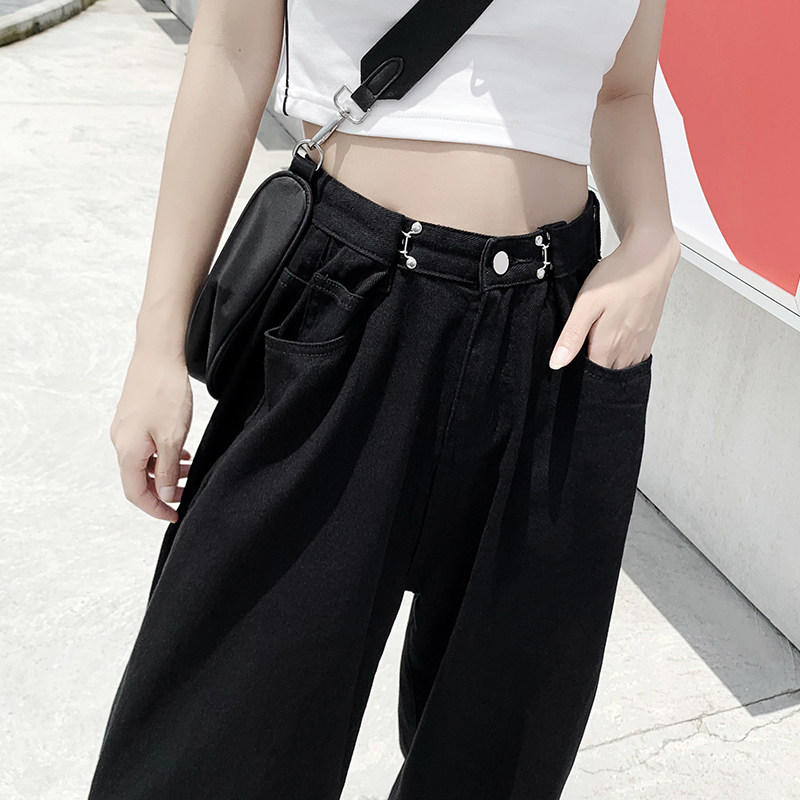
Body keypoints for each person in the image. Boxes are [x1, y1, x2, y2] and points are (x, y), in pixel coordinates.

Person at [91, 0, 680, 797]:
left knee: (497, 762)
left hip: (560, 338)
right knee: (211, 748)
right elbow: (231, 51)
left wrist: (652, 236)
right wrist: (157, 343)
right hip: (349, 303)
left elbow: (623, 90)